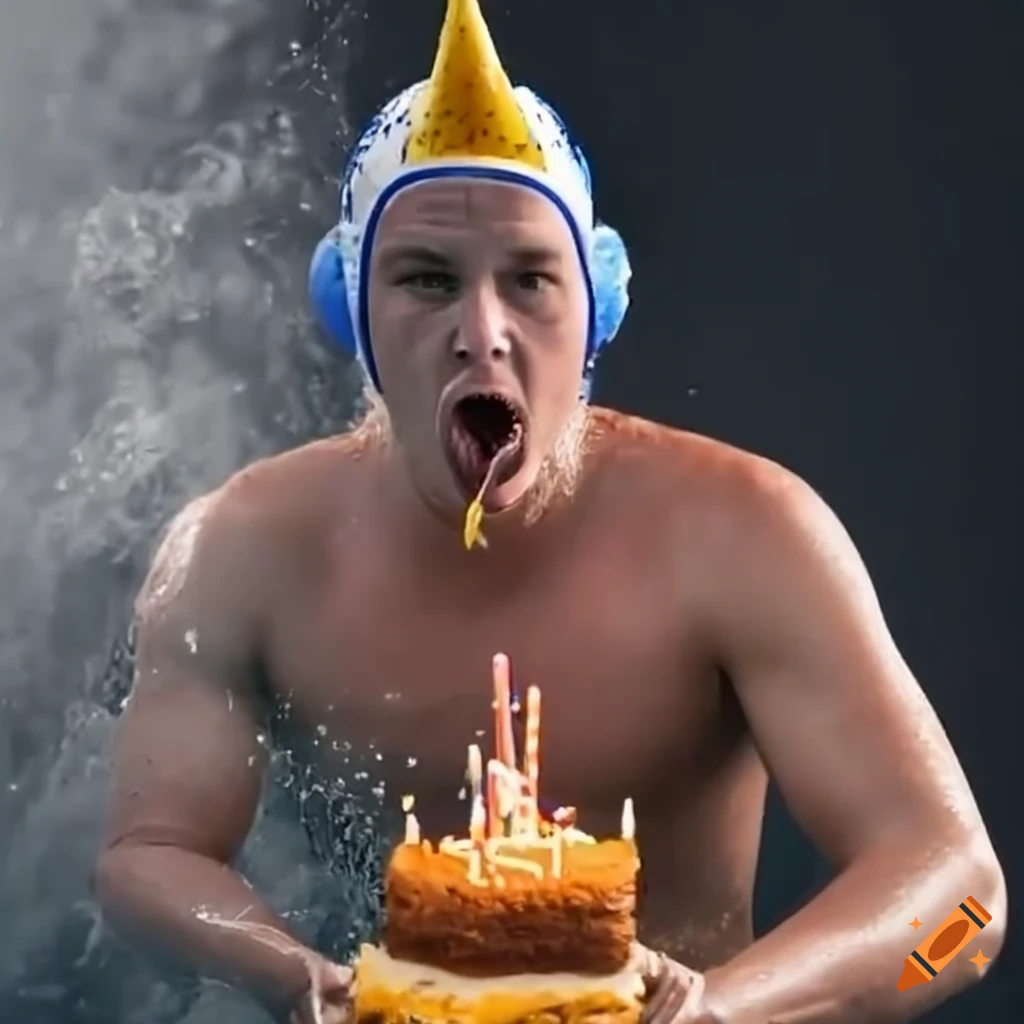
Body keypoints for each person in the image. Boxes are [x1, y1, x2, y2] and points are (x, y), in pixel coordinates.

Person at [94, 1, 1005, 1022]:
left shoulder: (743, 534)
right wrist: (288, 971)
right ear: (352, 310)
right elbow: (144, 856)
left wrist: (721, 1011)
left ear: (594, 312)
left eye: (529, 279)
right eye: (426, 280)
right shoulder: (240, 549)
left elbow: (964, 912)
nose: (480, 334)